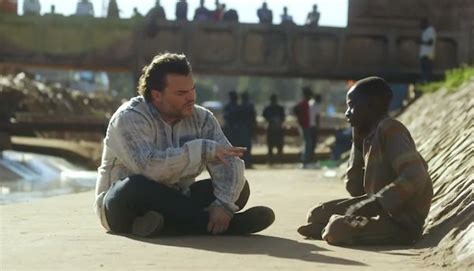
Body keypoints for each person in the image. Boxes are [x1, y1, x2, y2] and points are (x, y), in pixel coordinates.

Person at [94, 53, 275, 237]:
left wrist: (224, 206)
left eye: (192, 89)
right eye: (181, 93)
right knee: (135, 187)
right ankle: (227, 226)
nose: (191, 98)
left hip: (179, 197)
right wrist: (201, 150)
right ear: (157, 95)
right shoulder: (129, 117)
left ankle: (162, 224)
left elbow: (229, 163)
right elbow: (148, 169)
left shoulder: (202, 118)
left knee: (240, 188)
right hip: (124, 205)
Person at [297, 77, 433, 246]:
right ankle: (332, 226)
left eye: (351, 105)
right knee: (316, 213)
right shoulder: (368, 138)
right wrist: (357, 141)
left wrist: (377, 203)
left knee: (337, 230)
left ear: (372, 105)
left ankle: (333, 228)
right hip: (377, 210)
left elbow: (415, 175)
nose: (347, 112)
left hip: (400, 220)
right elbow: (354, 187)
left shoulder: (390, 129)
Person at [293, 87, 313, 168]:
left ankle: (305, 160)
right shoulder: (304, 103)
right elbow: (295, 109)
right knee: (308, 143)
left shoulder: (306, 103)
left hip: (305, 125)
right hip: (304, 126)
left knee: (307, 143)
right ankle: (305, 160)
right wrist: (300, 120)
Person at [263, 94, 285, 164]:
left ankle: (271, 161)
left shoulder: (268, 108)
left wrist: (271, 120)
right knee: (279, 146)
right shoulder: (280, 108)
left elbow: (264, 116)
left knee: (271, 146)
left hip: (271, 129)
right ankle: (279, 160)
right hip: (278, 129)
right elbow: (283, 117)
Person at [238, 92, 257, 168]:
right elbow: (253, 118)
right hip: (248, 128)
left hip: (241, 129)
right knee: (248, 146)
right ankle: (248, 162)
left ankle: (244, 162)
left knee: (242, 146)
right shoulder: (250, 106)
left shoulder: (239, 106)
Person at [419, 18, 436, 82]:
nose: (420, 26)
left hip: (428, 54)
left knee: (427, 71)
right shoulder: (425, 31)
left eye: (421, 24)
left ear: (425, 23)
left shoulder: (430, 30)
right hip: (424, 55)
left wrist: (420, 42)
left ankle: (427, 82)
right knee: (424, 71)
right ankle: (425, 81)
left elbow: (430, 42)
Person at [309, 93, 322, 162]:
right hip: (313, 126)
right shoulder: (317, 105)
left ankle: (309, 157)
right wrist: (318, 127)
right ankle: (311, 158)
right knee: (313, 143)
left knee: (308, 143)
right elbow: (317, 117)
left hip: (308, 125)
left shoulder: (310, 103)